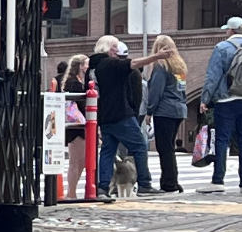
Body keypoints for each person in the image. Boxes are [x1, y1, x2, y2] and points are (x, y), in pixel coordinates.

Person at [202, 18, 242, 190]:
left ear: (230, 31)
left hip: (226, 99)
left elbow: (212, 77)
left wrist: (205, 99)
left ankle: (218, 180)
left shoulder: (222, 48)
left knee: (223, 139)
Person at [89, 35, 148, 197]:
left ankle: (103, 186)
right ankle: (144, 183)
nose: (117, 50)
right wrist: (157, 56)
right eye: (114, 46)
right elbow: (132, 64)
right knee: (140, 146)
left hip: (104, 115)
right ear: (107, 48)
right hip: (120, 113)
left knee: (108, 151)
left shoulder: (93, 67)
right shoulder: (109, 64)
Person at [137, 34, 189, 193]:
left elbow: (156, 92)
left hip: (165, 110)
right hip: (179, 109)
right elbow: (182, 89)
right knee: (170, 146)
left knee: (164, 147)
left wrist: (149, 111)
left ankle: (169, 182)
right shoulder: (180, 66)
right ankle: (173, 179)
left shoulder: (161, 66)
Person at [56, 54, 92, 199]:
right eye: (86, 64)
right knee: (75, 161)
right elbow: (80, 105)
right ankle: (71, 193)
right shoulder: (74, 83)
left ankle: (73, 191)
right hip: (76, 125)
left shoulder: (76, 81)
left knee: (81, 161)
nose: (88, 67)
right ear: (81, 66)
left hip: (78, 124)